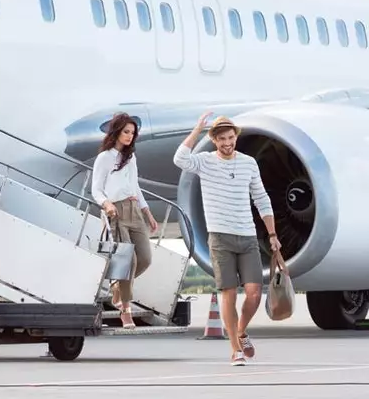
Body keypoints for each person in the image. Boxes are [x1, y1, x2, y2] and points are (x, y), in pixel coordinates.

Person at [173, 112, 280, 365]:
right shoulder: (204, 162)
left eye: (231, 137)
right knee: (228, 294)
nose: (227, 142)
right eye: (221, 139)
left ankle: (241, 331)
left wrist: (273, 234)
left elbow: (262, 199)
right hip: (220, 238)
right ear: (214, 140)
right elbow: (179, 159)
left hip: (247, 236)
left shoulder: (248, 163)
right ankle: (235, 349)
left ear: (236, 137)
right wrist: (197, 128)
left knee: (254, 293)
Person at [91, 112, 161, 327]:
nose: (130, 136)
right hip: (116, 211)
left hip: (134, 210)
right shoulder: (105, 157)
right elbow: (96, 189)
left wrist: (147, 212)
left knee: (145, 258)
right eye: (126, 132)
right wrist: (107, 204)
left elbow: (136, 186)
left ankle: (117, 288)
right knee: (128, 262)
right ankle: (126, 311)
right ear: (117, 132)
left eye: (132, 133)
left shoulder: (131, 158)